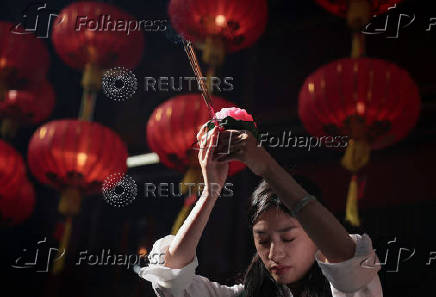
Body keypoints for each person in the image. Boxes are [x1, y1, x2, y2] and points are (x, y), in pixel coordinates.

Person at [139, 126, 383, 297]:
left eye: (288, 238)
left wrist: (267, 167)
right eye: (263, 240)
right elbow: (170, 277)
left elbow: (347, 259)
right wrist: (210, 192)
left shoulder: (348, 288)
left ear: (316, 236)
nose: (275, 253)